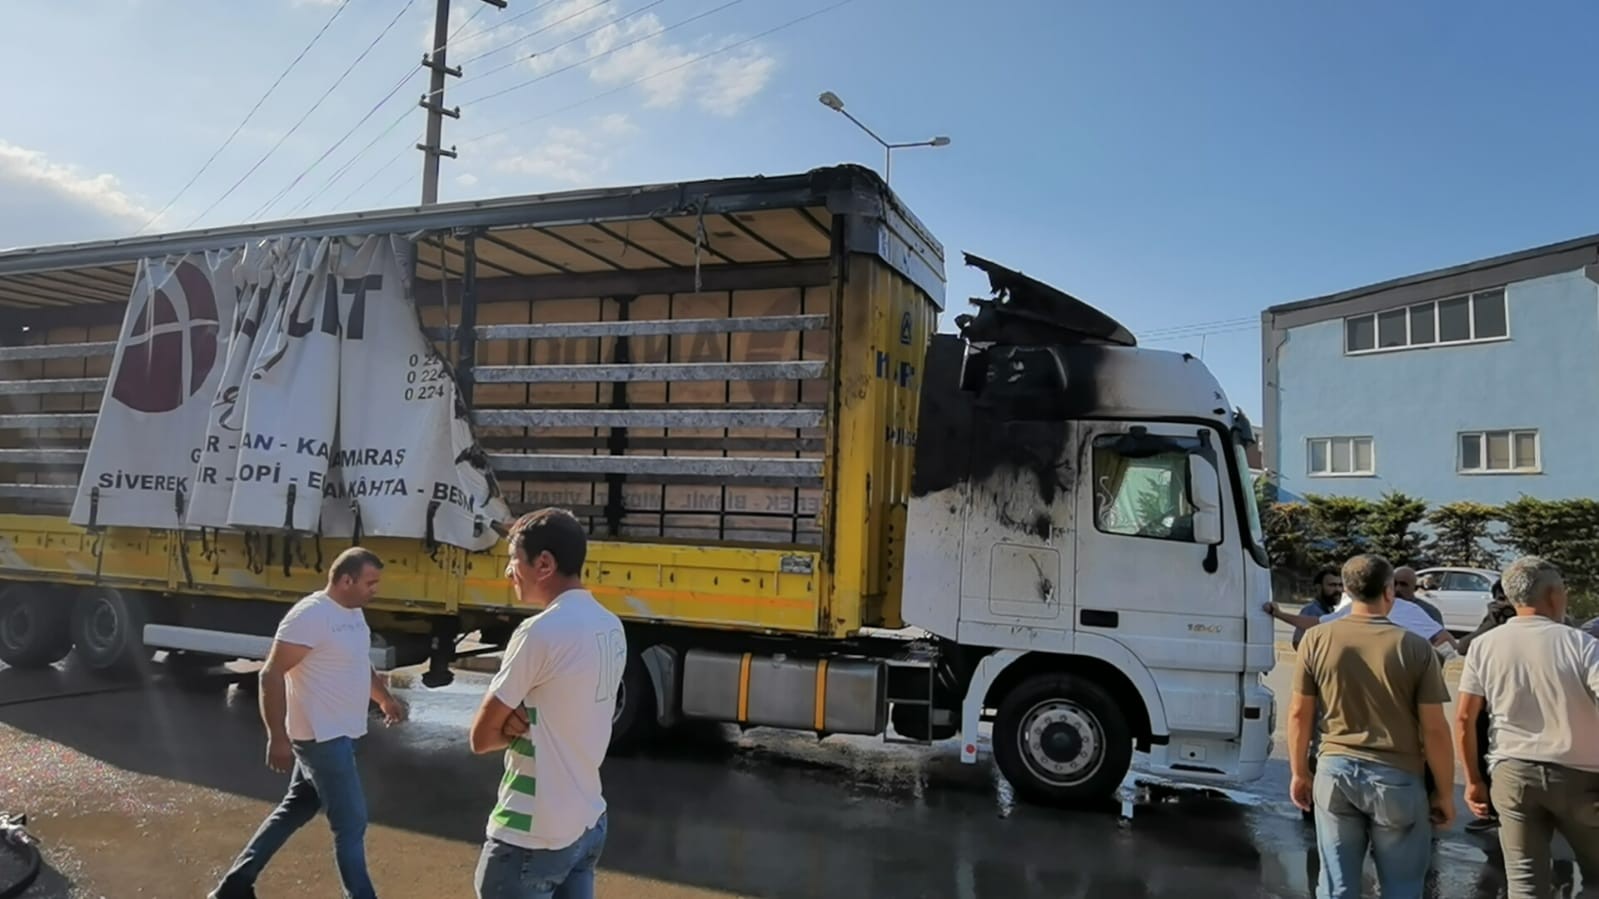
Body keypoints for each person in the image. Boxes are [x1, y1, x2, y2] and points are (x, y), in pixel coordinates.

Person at [210, 548, 408, 899]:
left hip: (341, 732)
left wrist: (383, 698)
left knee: (295, 808)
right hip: (321, 736)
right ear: (345, 580)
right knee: (351, 824)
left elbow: (358, 662)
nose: (375, 590)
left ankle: (234, 887)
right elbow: (271, 674)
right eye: (370, 583)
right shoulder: (310, 616)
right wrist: (277, 737)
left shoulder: (353, 613)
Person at [469, 508, 626, 899]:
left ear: (544, 564)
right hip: (587, 822)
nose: (509, 572)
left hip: (531, 835)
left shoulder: (539, 632)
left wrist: (512, 724)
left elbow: (481, 738)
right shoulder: (610, 625)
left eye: (513, 560)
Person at [1288, 553, 1454, 899]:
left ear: (1346, 591)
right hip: (1398, 779)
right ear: (1389, 591)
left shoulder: (1316, 640)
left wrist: (1300, 772)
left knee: (1337, 886)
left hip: (1335, 773)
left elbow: (1299, 714)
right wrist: (1443, 792)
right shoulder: (1414, 647)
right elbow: (1436, 730)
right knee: (1401, 887)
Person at [1455, 556, 1599, 898]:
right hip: (1580, 776)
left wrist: (1474, 781)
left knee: (1524, 882)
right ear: (1553, 595)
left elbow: (1464, 718)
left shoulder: (1484, 645)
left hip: (1512, 774)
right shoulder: (1581, 644)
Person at [1292, 568, 1344, 651]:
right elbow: (1298, 643)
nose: (1338, 590)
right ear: (1319, 588)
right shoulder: (1311, 611)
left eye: (1340, 585)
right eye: (1332, 585)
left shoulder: (1332, 610)